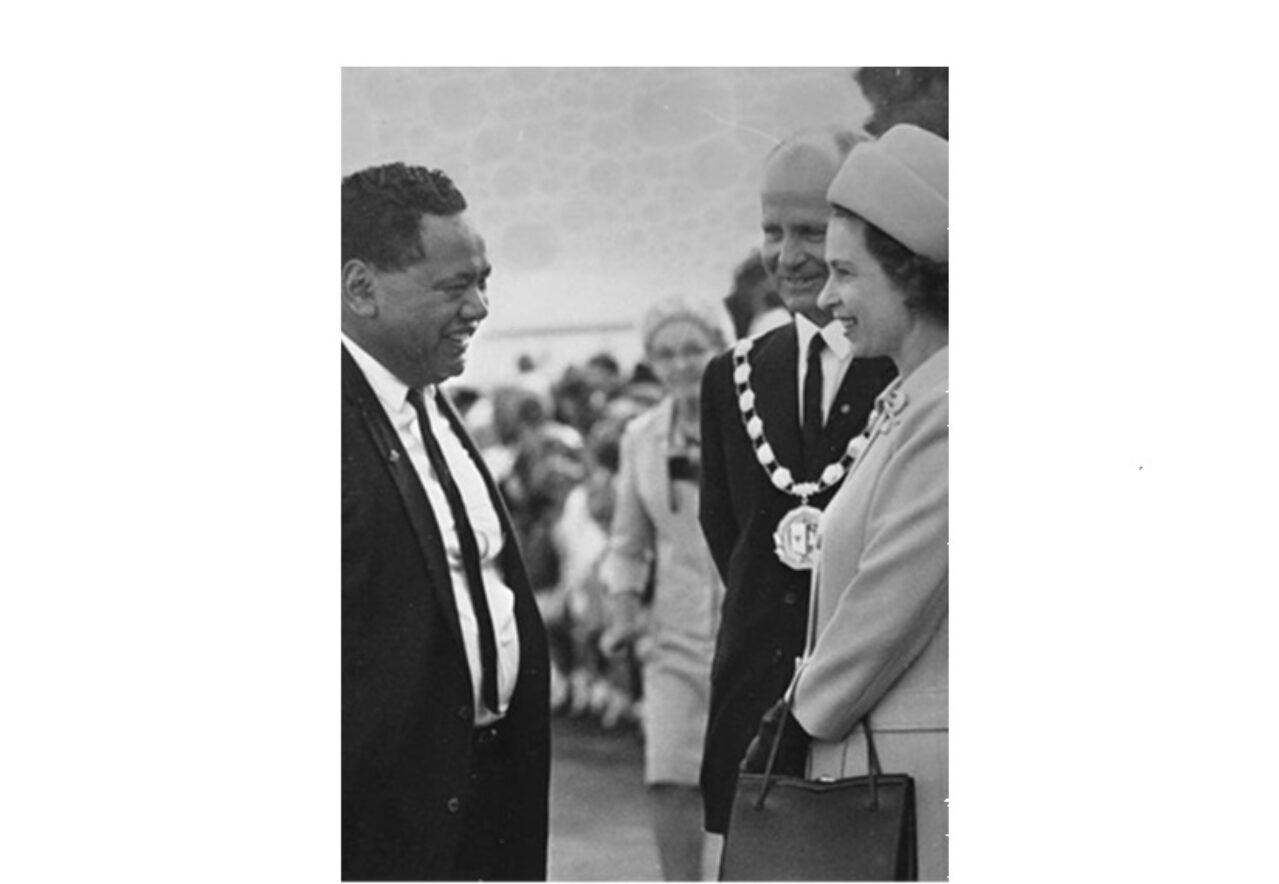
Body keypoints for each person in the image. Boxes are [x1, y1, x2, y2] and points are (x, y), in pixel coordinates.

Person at [743, 123, 950, 879]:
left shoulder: (950, 409)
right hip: (876, 758)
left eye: (846, 273)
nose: (825, 296)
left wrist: (792, 720)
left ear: (911, 276)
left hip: (919, 782)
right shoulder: (911, 398)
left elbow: (885, 608)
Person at [341, 162, 550, 881]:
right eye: (455, 287)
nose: (481, 308)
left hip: (485, 806)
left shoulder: (429, 401)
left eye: (484, 280)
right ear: (360, 289)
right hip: (386, 833)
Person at [697, 127, 899, 838]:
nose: (787, 256)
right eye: (771, 230)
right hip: (752, 710)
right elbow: (732, 541)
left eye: (811, 231)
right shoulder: (732, 376)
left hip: (875, 717)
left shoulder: (913, 367)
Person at [600, 296, 731, 879]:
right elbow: (628, 543)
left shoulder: (753, 427)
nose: (681, 364)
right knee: (670, 776)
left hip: (748, 632)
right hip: (673, 633)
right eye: (666, 353)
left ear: (721, 350)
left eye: (694, 350)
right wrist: (623, 611)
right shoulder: (641, 438)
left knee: (750, 785)